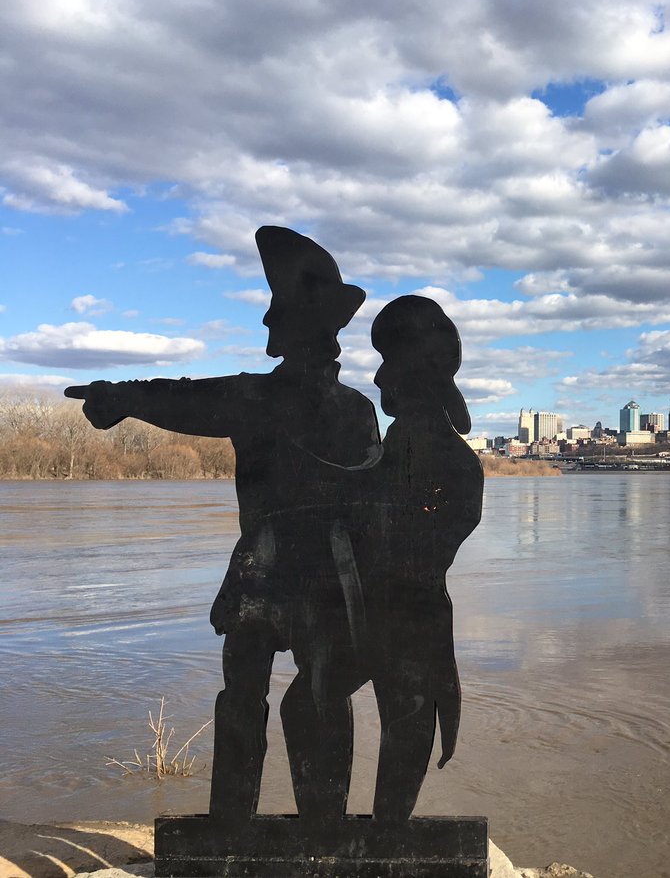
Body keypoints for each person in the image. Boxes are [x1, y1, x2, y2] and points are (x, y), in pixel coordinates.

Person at [66, 226, 380, 824]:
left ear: (299, 325)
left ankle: (233, 824)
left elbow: (182, 398)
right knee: (318, 695)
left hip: (267, 567)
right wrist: (124, 395)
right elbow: (183, 398)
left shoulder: (262, 398)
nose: (265, 325)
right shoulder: (354, 408)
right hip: (327, 574)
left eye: (275, 313)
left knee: (250, 695)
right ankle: (323, 823)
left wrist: (120, 396)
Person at [357, 295, 484, 824]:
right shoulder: (387, 451)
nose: (378, 376)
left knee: (407, 720)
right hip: (370, 607)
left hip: (403, 615)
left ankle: (387, 834)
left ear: (414, 374)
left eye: (388, 362)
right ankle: (351, 827)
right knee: (309, 703)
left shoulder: (447, 461)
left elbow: (427, 545)